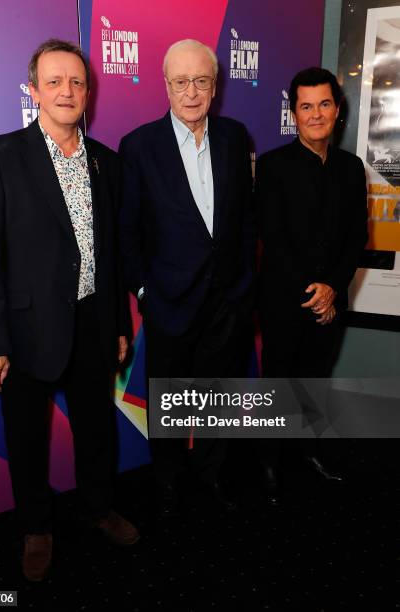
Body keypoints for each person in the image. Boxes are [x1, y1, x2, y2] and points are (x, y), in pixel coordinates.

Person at [0, 39, 139, 582]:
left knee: (95, 429)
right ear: (34, 89)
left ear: (89, 92)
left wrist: (116, 325)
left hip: (93, 321)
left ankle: (97, 507)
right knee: (26, 436)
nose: (67, 91)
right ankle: (36, 528)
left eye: (77, 82)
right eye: (55, 81)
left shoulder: (107, 163)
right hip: (23, 328)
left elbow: (111, 254)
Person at [119, 39, 255, 516]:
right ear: (166, 86)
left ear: (215, 87)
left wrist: (244, 285)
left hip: (227, 300)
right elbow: (127, 233)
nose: (191, 92)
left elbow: (244, 220)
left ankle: (213, 476)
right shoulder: (138, 147)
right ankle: (169, 483)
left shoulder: (236, 136)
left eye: (201, 81)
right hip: (169, 302)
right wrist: (144, 293)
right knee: (171, 399)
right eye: (181, 82)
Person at [256, 67, 368, 504]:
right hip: (285, 301)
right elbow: (275, 239)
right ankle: (268, 461)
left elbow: (356, 236)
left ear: (337, 110)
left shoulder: (351, 167)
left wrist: (333, 289)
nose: (316, 114)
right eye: (306, 106)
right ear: (294, 114)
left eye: (324, 104)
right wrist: (314, 292)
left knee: (315, 379)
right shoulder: (272, 166)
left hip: (331, 303)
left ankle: (309, 452)